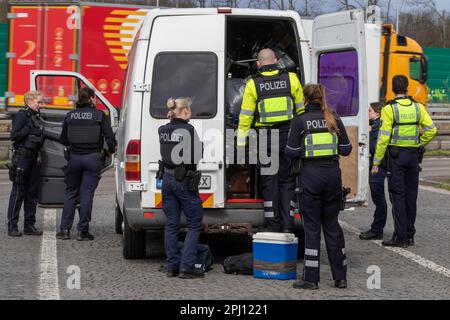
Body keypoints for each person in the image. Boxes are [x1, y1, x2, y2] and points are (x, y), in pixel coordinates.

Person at [285, 84, 352, 290]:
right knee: (332, 225)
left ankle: (311, 279)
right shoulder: (334, 118)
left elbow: (292, 151)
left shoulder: (300, 121)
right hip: (332, 176)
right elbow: (346, 149)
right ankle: (340, 278)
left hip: (310, 178)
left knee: (312, 228)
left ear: (305, 99)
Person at [237, 48, 304, 232]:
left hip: (266, 138)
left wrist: (241, 145)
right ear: (276, 60)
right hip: (289, 137)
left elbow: (245, 118)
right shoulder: (291, 79)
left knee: (269, 183)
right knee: (287, 182)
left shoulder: (253, 84)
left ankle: (273, 226)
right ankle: (288, 226)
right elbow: (300, 112)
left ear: (258, 64)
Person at [372, 75, 437, 247]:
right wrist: (419, 144)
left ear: (393, 89)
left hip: (396, 157)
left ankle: (400, 237)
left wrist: (376, 162)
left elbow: (383, 138)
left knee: (397, 197)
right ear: (407, 88)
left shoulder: (389, 109)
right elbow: (432, 129)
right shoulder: (418, 107)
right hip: (413, 157)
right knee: (411, 196)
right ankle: (409, 234)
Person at [56, 87, 115, 241]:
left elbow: (63, 139)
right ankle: (83, 231)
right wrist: (110, 151)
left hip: (74, 158)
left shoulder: (70, 116)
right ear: (92, 98)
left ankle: (64, 230)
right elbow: (109, 138)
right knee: (87, 194)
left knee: (70, 193)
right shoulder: (99, 115)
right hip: (93, 158)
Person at [159, 97, 204, 279]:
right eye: (190, 111)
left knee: (171, 225)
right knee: (194, 223)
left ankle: (172, 266)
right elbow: (197, 155)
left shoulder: (162, 130)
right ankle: (187, 266)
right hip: (184, 180)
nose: (191, 114)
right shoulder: (189, 130)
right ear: (184, 111)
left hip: (167, 180)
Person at [6, 91, 45, 237]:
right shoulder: (22, 115)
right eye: (38, 102)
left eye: (41, 102)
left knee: (32, 193)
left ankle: (29, 225)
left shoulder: (36, 116)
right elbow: (14, 135)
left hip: (34, 158)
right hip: (22, 157)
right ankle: (12, 226)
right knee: (18, 192)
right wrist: (27, 130)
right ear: (29, 101)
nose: (41, 105)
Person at [360, 102, 388, 240]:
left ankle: (377, 230)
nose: (368, 113)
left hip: (378, 166)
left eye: (370, 110)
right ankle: (377, 228)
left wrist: (369, 134)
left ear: (378, 113)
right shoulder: (374, 125)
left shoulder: (377, 127)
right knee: (378, 198)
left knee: (379, 199)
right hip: (376, 165)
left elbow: (375, 148)